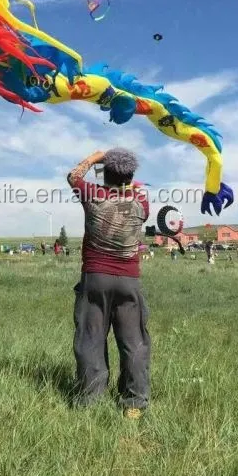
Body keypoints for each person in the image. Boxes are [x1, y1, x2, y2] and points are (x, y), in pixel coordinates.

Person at [67, 148, 150, 418]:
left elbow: (73, 176)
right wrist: (126, 176)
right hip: (129, 280)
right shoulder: (140, 204)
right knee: (133, 339)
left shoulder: (93, 195)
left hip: (95, 278)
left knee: (91, 338)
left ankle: (91, 400)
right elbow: (134, 188)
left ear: (106, 174)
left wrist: (93, 157)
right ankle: (134, 403)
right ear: (129, 177)